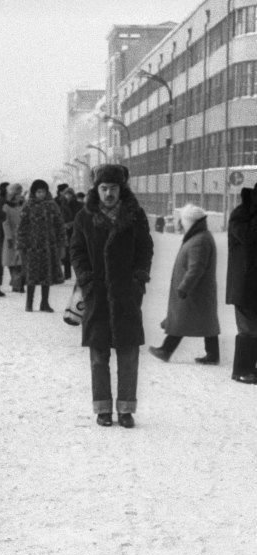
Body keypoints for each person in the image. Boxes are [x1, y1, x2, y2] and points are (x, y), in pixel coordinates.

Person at [70, 163, 153, 428]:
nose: (108, 193)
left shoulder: (135, 215)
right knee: (98, 356)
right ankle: (103, 408)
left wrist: (138, 280)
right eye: (104, 188)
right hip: (98, 294)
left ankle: (126, 409)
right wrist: (86, 280)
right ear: (97, 188)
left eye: (113, 188)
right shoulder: (85, 217)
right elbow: (77, 251)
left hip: (126, 294)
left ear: (121, 188)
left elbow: (145, 249)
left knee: (128, 354)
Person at [149, 203, 220, 365]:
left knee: (181, 319)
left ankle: (166, 350)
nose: (180, 224)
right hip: (198, 291)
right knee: (206, 322)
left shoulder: (199, 240)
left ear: (190, 222)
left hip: (193, 291)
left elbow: (196, 268)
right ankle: (213, 355)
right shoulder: (200, 236)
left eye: (182, 221)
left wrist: (184, 287)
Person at [17, 179, 66, 312]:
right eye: (38, 192)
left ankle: (44, 303)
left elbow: (59, 225)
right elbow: (22, 227)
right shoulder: (28, 206)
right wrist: (21, 244)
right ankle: (29, 303)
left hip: (49, 245)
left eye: (43, 191)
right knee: (31, 275)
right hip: (32, 246)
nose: (41, 194)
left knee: (47, 274)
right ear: (34, 192)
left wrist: (62, 242)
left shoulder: (52, 206)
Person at [226, 183, 257, 384]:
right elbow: (248, 238)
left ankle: (250, 368)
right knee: (248, 329)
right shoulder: (242, 214)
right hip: (244, 283)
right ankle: (242, 370)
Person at [2, 183, 25, 292]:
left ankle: (18, 283)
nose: (19, 196)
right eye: (17, 193)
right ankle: (15, 281)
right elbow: (5, 223)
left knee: (20, 262)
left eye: (20, 193)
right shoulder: (6, 207)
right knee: (12, 262)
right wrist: (9, 237)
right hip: (11, 238)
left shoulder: (22, 206)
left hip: (22, 236)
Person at [58, 187, 82, 280]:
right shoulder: (61, 205)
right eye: (66, 194)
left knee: (76, 252)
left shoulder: (78, 205)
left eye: (70, 194)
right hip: (65, 232)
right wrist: (63, 225)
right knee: (66, 254)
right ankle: (67, 274)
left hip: (75, 230)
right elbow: (58, 217)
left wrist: (71, 224)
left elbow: (80, 216)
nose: (68, 196)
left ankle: (78, 272)